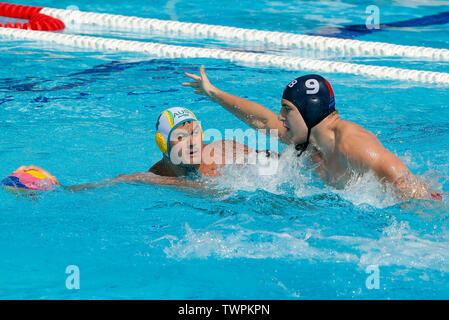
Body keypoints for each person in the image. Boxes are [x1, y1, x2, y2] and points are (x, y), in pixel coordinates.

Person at [183, 65, 441, 201]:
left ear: (309, 113)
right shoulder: (307, 137)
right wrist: (214, 94)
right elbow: (261, 120)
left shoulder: (353, 145)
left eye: (287, 110)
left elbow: (409, 188)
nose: (280, 118)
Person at [10, 107, 256, 192]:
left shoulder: (225, 151)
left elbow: (282, 163)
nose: (192, 143)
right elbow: (108, 184)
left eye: (195, 134)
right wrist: (55, 186)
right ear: (163, 144)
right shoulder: (155, 176)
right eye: (180, 137)